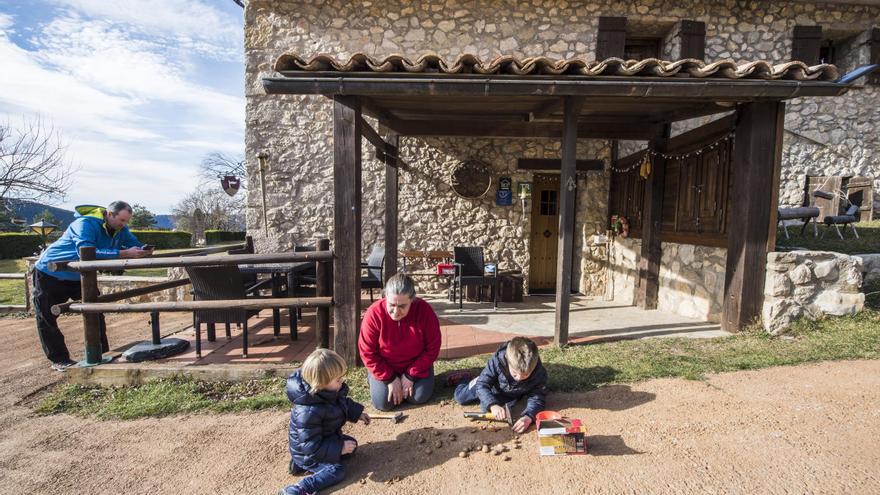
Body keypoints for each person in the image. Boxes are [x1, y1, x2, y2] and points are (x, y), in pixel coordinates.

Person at [32, 201, 152, 371]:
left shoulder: (120, 230)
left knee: (95, 311)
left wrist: (144, 250)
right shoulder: (84, 224)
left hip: (80, 275)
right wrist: (123, 253)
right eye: (122, 220)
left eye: (126, 221)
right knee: (46, 317)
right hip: (50, 273)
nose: (124, 225)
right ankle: (59, 359)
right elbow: (86, 251)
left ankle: (102, 353)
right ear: (110, 214)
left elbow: (134, 242)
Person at [281, 348, 370, 495]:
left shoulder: (327, 393)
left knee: (351, 446)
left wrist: (358, 413)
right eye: (338, 379)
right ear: (320, 383)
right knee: (337, 470)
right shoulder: (308, 412)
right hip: (309, 452)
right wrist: (339, 447)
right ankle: (300, 488)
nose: (342, 381)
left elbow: (342, 404)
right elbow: (311, 447)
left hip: (323, 439)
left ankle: (299, 465)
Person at [358, 273, 441, 411]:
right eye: (391, 305)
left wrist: (410, 375)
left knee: (418, 397)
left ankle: (410, 382)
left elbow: (433, 348)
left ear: (412, 300)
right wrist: (389, 379)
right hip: (385, 365)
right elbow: (367, 352)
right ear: (385, 297)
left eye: (402, 306)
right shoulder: (374, 313)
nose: (396, 311)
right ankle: (375, 379)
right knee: (383, 403)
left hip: (415, 366)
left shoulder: (425, 311)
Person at [452, 337, 548, 433]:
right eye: (515, 373)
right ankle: (465, 378)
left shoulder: (539, 373)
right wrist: (493, 405)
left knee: (487, 408)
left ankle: (511, 394)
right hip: (491, 384)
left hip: (511, 390)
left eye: (526, 374)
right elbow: (482, 385)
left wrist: (529, 416)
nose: (519, 378)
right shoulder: (497, 361)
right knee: (460, 397)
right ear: (507, 361)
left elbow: (538, 397)